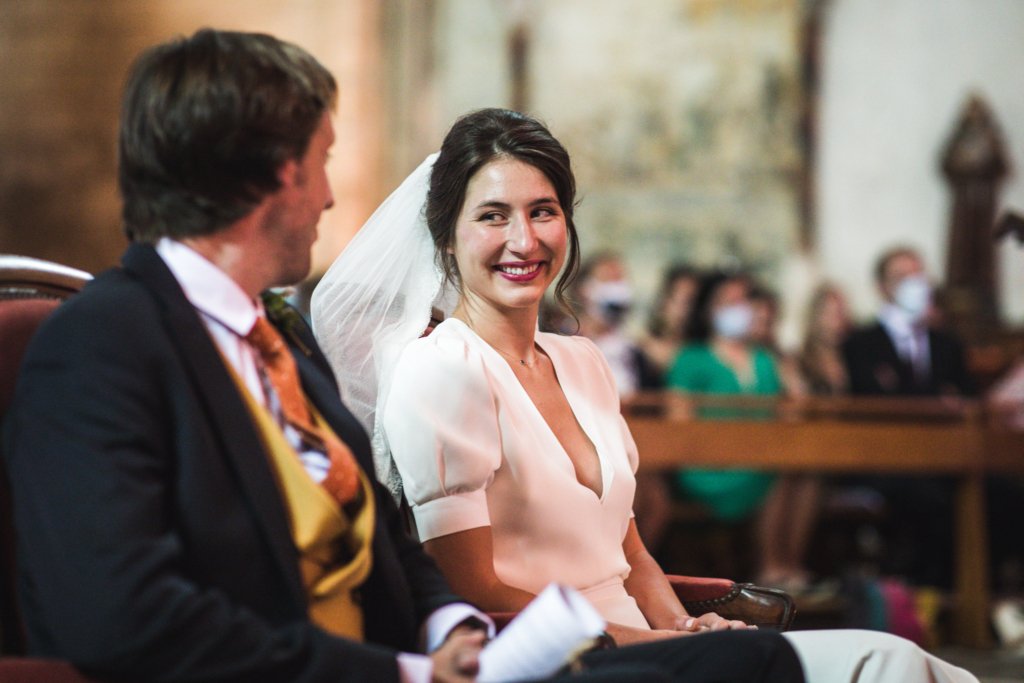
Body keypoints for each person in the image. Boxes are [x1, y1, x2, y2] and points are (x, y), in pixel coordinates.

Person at [313, 107, 978, 683]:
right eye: (493, 216)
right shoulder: (443, 369)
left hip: (651, 649)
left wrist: (686, 625)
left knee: (908, 662)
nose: (525, 240)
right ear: (447, 238)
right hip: (563, 660)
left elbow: (627, 550)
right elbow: (470, 587)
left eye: (543, 211)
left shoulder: (584, 361)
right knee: (887, 664)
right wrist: (650, 643)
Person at [4, 29, 496, 683]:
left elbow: (381, 532)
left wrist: (450, 625)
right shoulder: (96, 345)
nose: (329, 195)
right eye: (323, 160)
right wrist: (404, 673)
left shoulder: (276, 335)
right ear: (275, 172)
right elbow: (126, 616)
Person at [667, 272, 819, 591]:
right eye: (729, 301)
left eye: (744, 301)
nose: (739, 308)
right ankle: (772, 567)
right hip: (708, 466)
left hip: (760, 460)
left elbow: (792, 411)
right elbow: (677, 423)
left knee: (804, 470)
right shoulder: (691, 358)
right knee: (779, 471)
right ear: (709, 310)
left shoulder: (765, 359)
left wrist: (789, 370)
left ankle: (790, 565)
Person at [842, 247, 972, 589]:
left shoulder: (947, 343)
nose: (915, 285)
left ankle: (976, 600)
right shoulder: (860, 342)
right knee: (925, 500)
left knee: (998, 493)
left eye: (919, 276)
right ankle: (922, 593)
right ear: (883, 287)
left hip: (944, 457)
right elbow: (869, 401)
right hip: (885, 459)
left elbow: (966, 397)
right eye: (903, 277)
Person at [637, 264, 700, 386]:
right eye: (677, 299)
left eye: (690, 301)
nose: (683, 309)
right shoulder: (642, 346)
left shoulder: (702, 350)